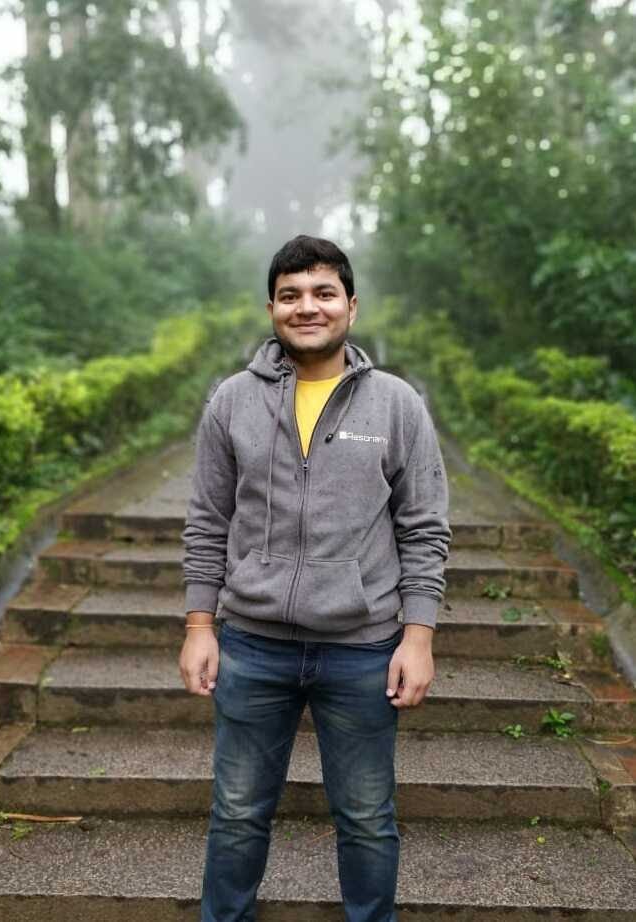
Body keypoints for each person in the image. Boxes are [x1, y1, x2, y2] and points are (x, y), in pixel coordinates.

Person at [179, 234, 451, 922]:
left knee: (364, 816)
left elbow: (423, 526)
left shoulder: (395, 404)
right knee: (238, 813)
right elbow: (207, 520)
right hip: (252, 645)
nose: (307, 307)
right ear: (270, 308)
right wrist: (199, 624)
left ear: (350, 308)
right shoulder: (232, 402)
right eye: (290, 295)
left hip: (361, 649)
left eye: (323, 293)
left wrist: (416, 637)